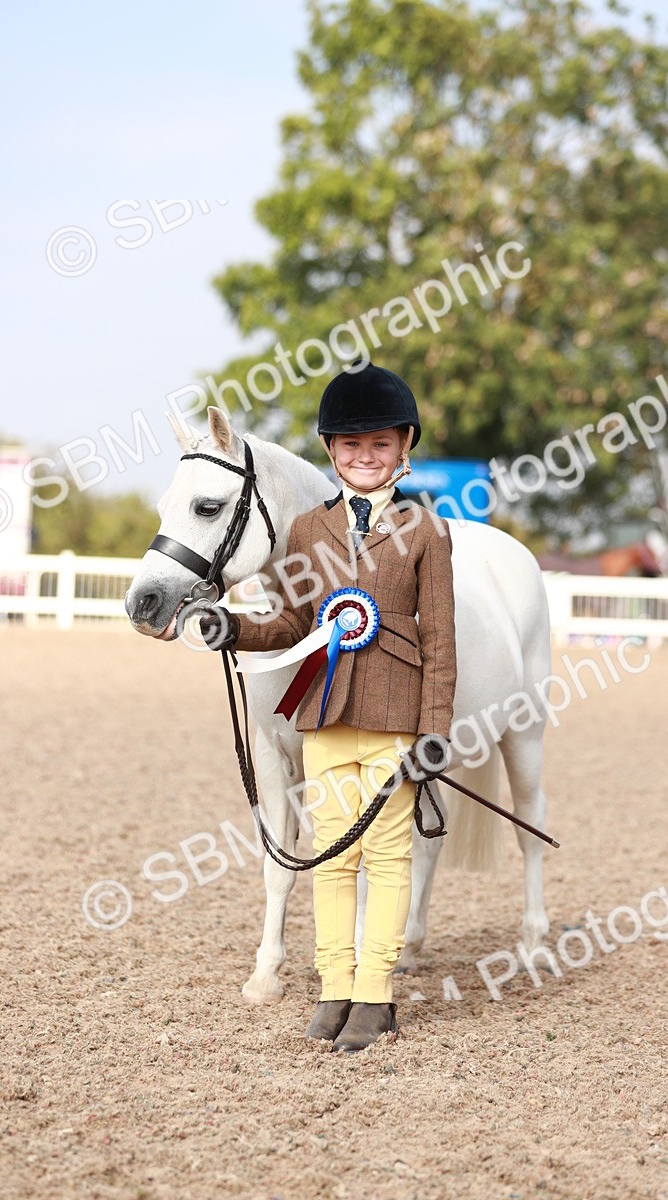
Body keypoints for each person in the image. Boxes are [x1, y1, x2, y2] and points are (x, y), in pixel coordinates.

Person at [200, 361, 457, 1052]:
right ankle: (333, 986)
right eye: (350, 445)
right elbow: (289, 622)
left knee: (388, 859)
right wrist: (235, 628)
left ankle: (375, 994)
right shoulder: (308, 532)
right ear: (330, 451)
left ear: (404, 447)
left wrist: (435, 730)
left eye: (379, 445)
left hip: (396, 720)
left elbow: (440, 638)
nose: (365, 457)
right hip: (324, 720)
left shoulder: (426, 532)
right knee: (333, 858)